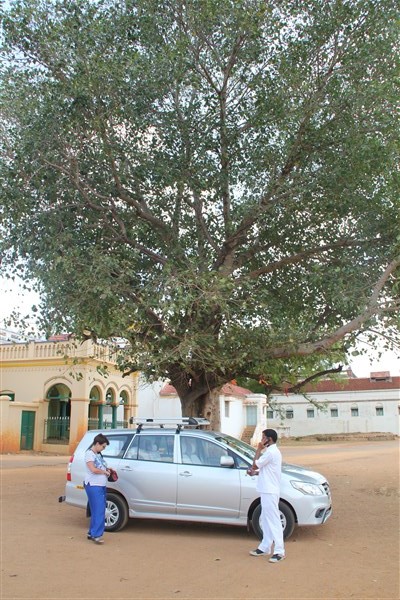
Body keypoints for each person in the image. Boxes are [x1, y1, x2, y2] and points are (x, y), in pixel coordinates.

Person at [248, 428, 285, 563]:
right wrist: (256, 473)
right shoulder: (271, 452)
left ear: (269, 439)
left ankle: (279, 551)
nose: (261, 440)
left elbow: (254, 464)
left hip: (270, 491)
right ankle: (265, 547)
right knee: (265, 519)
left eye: (263, 437)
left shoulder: (270, 452)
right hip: (267, 490)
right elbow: (267, 471)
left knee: (273, 520)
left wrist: (258, 449)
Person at [84, 433, 110, 544]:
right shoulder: (89, 454)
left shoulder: (97, 454)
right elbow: (93, 469)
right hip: (94, 485)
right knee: (99, 510)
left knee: (97, 510)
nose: (103, 449)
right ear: (97, 444)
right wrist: (104, 472)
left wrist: (107, 470)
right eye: (103, 446)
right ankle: (96, 535)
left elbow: (99, 466)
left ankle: (92, 532)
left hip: (99, 485)